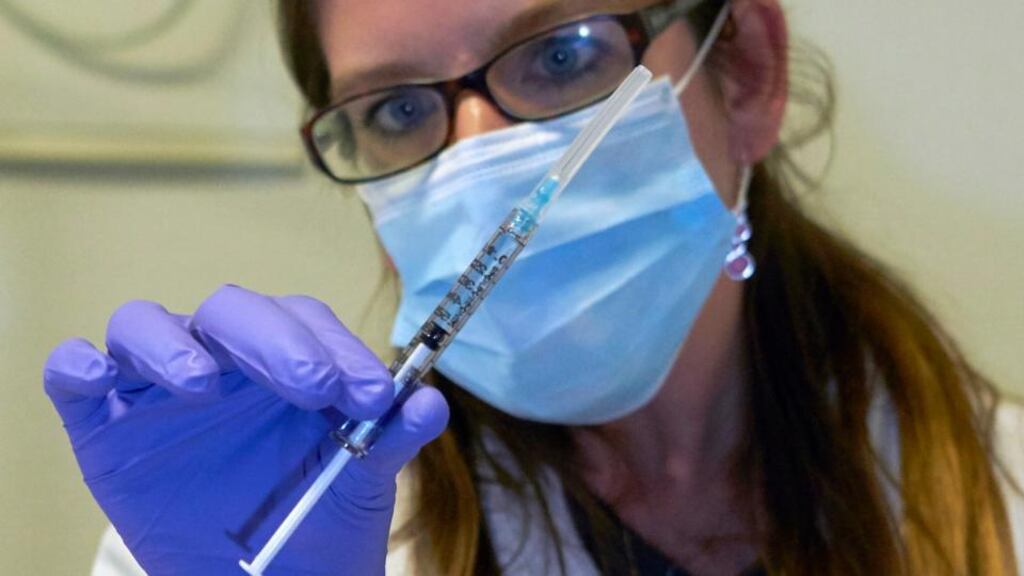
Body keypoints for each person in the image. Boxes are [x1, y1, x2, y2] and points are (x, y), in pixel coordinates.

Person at [43, 0, 1023, 574]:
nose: (478, 157)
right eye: (394, 108)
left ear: (749, 71)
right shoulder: (284, 524)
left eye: (562, 56)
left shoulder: (1004, 496)